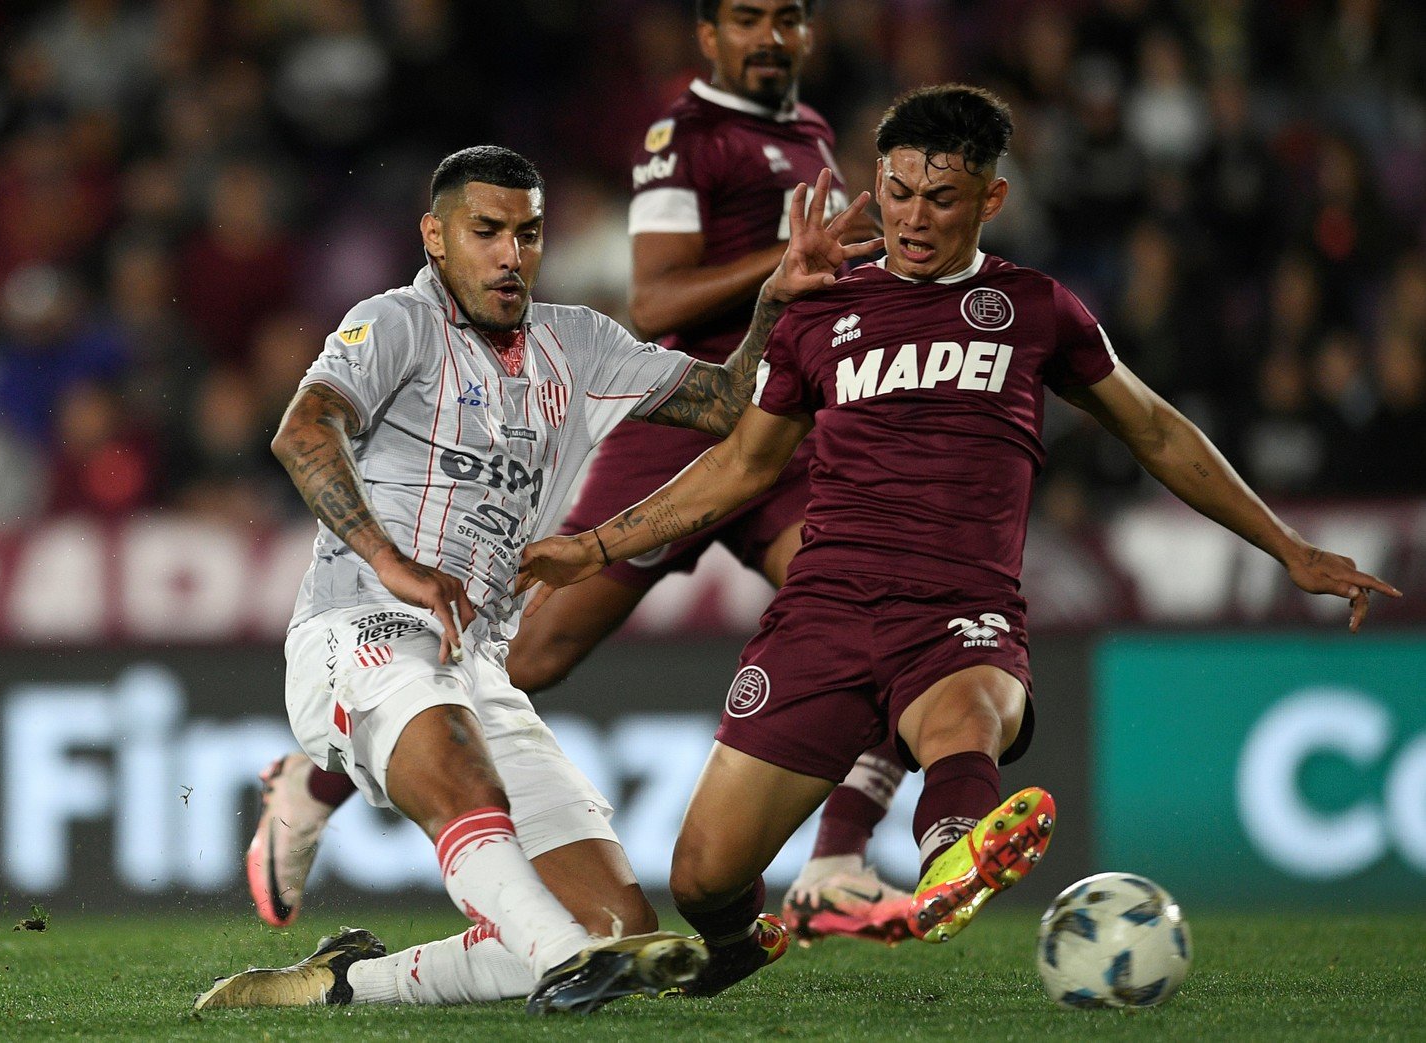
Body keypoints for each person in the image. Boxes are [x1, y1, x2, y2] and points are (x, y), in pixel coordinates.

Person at [516, 83, 1402, 983]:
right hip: (821, 613)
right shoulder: (822, 311)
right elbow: (741, 465)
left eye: (941, 198)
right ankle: (745, 944)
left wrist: (1289, 547)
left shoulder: (1035, 307)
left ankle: (952, 852)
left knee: (964, 713)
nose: (912, 217)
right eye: (897, 192)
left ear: (991, 198)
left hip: (958, 610)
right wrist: (592, 546)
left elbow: (1156, 429)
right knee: (701, 878)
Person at [246, 0, 908, 947]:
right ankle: (512, 920)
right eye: (485, 232)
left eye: (528, 234)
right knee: (498, 738)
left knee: (622, 923)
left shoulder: (579, 340)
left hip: (491, 648)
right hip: (368, 624)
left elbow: (728, 405)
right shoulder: (393, 319)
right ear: (435, 238)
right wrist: (390, 562)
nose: (511, 255)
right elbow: (302, 430)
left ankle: (353, 975)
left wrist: (771, 302)